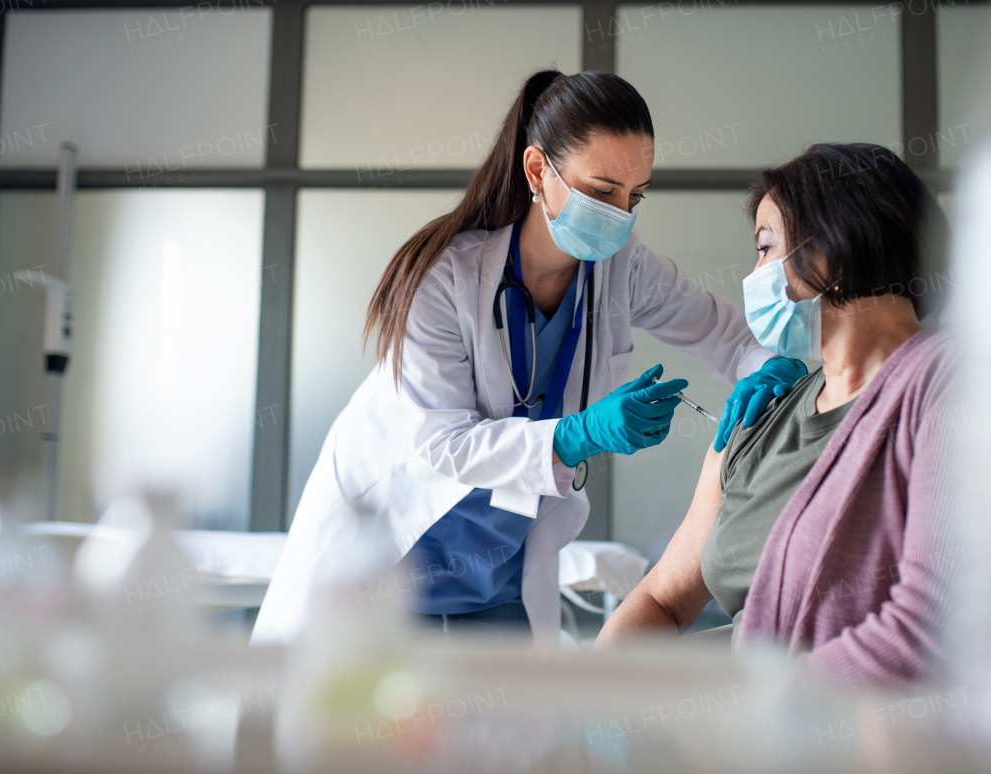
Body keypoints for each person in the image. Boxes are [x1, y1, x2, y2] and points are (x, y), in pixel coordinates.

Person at [251, 70, 806, 647]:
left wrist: (770, 365)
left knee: (512, 727)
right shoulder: (444, 280)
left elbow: (730, 336)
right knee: (362, 726)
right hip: (387, 561)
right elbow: (445, 445)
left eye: (634, 196)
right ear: (538, 171)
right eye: (601, 191)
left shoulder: (623, 269)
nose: (620, 213)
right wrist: (578, 434)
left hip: (497, 577)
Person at [594, 144, 961, 689]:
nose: (755, 273)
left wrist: (747, 715)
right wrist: (584, 702)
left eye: (767, 246)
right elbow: (661, 602)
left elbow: (932, 631)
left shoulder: (951, 386)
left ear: (839, 241)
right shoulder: (759, 418)